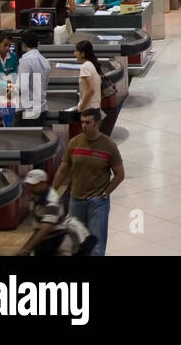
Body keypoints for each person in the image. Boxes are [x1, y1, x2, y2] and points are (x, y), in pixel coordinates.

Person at [53, 108, 123, 256]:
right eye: (82, 122)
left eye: (88, 122)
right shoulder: (74, 143)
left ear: (97, 123)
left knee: (96, 246)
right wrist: (52, 193)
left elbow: (119, 175)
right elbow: (62, 170)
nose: (84, 125)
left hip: (97, 202)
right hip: (76, 200)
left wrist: (105, 193)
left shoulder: (109, 146)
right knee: (75, 242)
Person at [17, 169, 94, 256]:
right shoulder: (35, 196)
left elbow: (45, 228)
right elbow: (38, 227)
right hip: (49, 239)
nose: (30, 187)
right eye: (29, 185)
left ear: (43, 183)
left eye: (33, 185)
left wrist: (26, 249)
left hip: (64, 239)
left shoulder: (51, 202)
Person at [15, 31, 51, 123]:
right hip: (42, 108)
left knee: (20, 137)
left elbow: (21, 87)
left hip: (28, 110)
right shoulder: (45, 61)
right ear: (37, 43)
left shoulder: (25, 60)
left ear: (23, 44)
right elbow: (45, 85)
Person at [73, 39, 102, 116]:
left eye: (76, 51)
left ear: (82, 53)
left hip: (89, 108)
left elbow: (91, 89)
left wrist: (82, 105)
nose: (74, 53)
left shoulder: (85, 67)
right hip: (95, 107)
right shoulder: (91, 65)